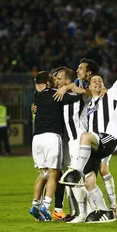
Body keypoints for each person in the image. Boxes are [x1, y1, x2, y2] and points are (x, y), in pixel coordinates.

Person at [60, 49, 117, 223]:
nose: (97, 82)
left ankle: (75, 172)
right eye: (94, 81)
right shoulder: (88, 107)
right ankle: (104, 212)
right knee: (89, 179)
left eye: (100, 80)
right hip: (95, 143)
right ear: (89, 86)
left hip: (108, 138)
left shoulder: (112, 94)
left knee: (85, 138)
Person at [30, 71, 81, 221]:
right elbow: (78, 96)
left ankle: (35, 205)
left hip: (36, 138)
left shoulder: (37, 96)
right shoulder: (56, 94)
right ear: (47, 83)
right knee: (54, 173)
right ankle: (46, 206)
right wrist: (68, 88)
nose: (55, 81)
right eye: (53, 79)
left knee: (43, 174)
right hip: (52, 137)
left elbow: (35, 107)